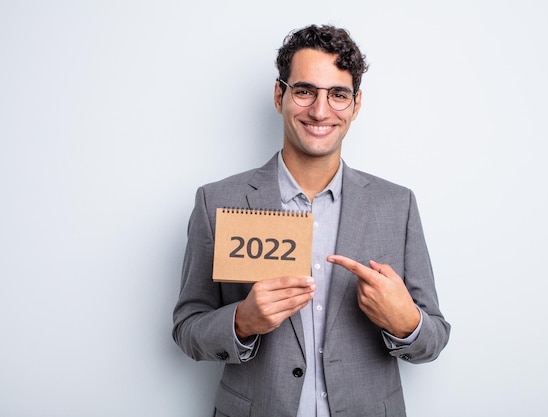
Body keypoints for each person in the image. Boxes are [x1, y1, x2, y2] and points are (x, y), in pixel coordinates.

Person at [172, 24, 450, 417]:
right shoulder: (217, 202)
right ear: (279, 95)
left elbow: (434, 337)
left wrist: (406, 322)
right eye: (304, 91)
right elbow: (187, 328)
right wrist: (242, 321)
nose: (320, 111)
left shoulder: (397, 205)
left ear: (356, 105)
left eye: (338, 95)